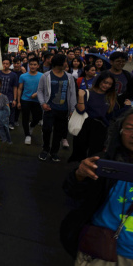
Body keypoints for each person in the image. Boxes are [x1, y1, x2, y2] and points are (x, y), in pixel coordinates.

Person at [61, 109, 133, 265]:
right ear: (120, 131)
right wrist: (79, 175)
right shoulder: (103, 162)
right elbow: (72, 193)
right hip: (100, 249)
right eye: (129, 128)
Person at [69, 72, 131, 163]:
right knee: (79, 152)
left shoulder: (111, 97)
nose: (106, 85)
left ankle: (89, 173)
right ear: (99, 81)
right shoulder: (88, 93)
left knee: (95, 154)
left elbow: (113, 115)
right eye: (105, 82)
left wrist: (127, 107)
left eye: (110, 84)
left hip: (101, 127)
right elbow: (81, 110)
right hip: (85, 125)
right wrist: (81, 96)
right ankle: (76, 172)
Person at [37, 54, 77, 162]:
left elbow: (73, 94)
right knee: (46, 129)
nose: (66, 63)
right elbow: (40, 90)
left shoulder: (69, 77)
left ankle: (54, 152)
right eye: (65, 62)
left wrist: (72, 109)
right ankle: (45, 149)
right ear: (59, 63)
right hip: (49, 109)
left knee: (58, 132)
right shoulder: (46, 76)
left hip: (63, 110)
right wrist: (42, 103)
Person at [17, 57, 43, 145]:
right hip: (25, 99)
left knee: (37, 117)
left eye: (35, 64)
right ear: (28, 65)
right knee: (25, 117)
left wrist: (36, 94)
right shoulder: (23, 76)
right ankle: (27, 135)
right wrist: (18, 101)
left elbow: (43, 89)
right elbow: (20, 89)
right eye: (31, 64)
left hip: (37, 100)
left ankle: (31, 125)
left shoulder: (42, 76)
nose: (32, 66)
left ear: (38, 66)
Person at [0, 57, 18, 130]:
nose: (5, 65)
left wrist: (15, 99)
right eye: (3, 63)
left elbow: (15, 87)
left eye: (7, 64)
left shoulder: (14, 75)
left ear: (10, 65)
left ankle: (10, 123)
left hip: (9, 97)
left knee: (9, 110)